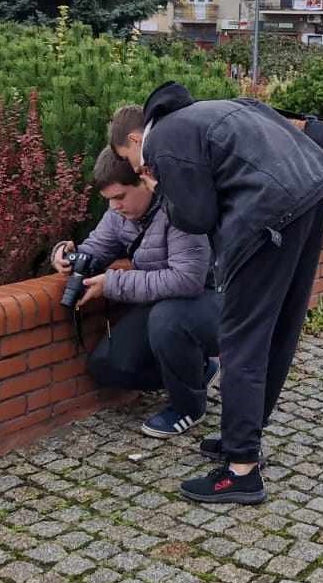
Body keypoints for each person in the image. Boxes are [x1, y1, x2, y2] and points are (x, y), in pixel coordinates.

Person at [111, 88, 323, 504]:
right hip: (311, 195)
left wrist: (156, 181)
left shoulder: (162, 139)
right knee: (279, 328)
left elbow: (196, 218)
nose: (135, 167)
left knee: (242, 338)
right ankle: (245, 438)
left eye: (129, 160)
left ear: (134, 139)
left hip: (269, 215)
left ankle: (241, 470)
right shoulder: (210, 111)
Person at [52, 147, 220, 438]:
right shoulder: (119, 213)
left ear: (145, 181)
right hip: (163, 305)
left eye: (120, 197)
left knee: (168, 319)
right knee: (108, 366)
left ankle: (188, 407)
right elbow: (97, 249)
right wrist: (67, 255)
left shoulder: (180, 209)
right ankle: (199, 370)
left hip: (214, 301)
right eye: (109, 200)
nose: (115, 206)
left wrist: (113, 284)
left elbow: (187, 280)